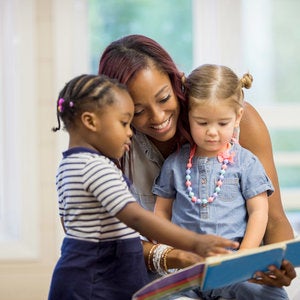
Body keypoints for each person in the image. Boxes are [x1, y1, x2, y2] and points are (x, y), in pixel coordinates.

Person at [98, 34, 296, 285]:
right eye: (138, 111)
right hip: (165, 278)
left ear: (177, 83)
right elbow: (100, 237)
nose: (158, 117)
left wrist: (276, 266)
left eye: (163, 98)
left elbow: (274, 218)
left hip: (239, 277)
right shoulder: (112, 145)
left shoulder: (236, 124)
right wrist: (174, 257)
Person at [48, 74, 238, 300]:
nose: (130, 132)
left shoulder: (69, 164)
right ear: (91, 121)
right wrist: (195, 242)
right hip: (97, 281)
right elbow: (137, 218)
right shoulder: (95, 167)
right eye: (124, 122)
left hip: (83, 275)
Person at [153, 64, 289, 299]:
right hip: (187, 272)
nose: (212, 132)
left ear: (238, 117)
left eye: (222, 123)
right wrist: (172, 253)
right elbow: (161, 214)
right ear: (188, 116)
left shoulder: (246, 163)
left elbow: (259, 212)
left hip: (232, 270)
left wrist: (244, 258)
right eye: (202, 123)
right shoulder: (175, 165)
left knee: (272, 296)